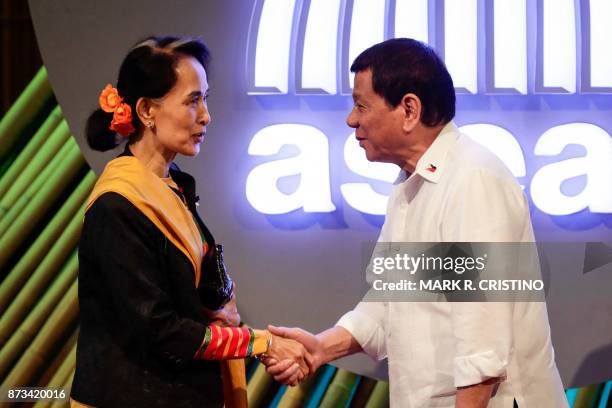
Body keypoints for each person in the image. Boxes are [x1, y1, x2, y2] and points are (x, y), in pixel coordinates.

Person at [264, 39, 569, 407]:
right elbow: (389, 303)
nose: (351, 119)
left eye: (361, 105)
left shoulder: (472, 179)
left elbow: (482, 340)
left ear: (409, 109)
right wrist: (321, 349)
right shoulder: (413, 184)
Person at [71, 36, 309, 408]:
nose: (205, 115)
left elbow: (201, 297)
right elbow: (162, 331)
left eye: (206, 99)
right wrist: (260, 342)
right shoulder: (117, 206)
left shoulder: (173, 184)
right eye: (192, 100)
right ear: (147, 110)